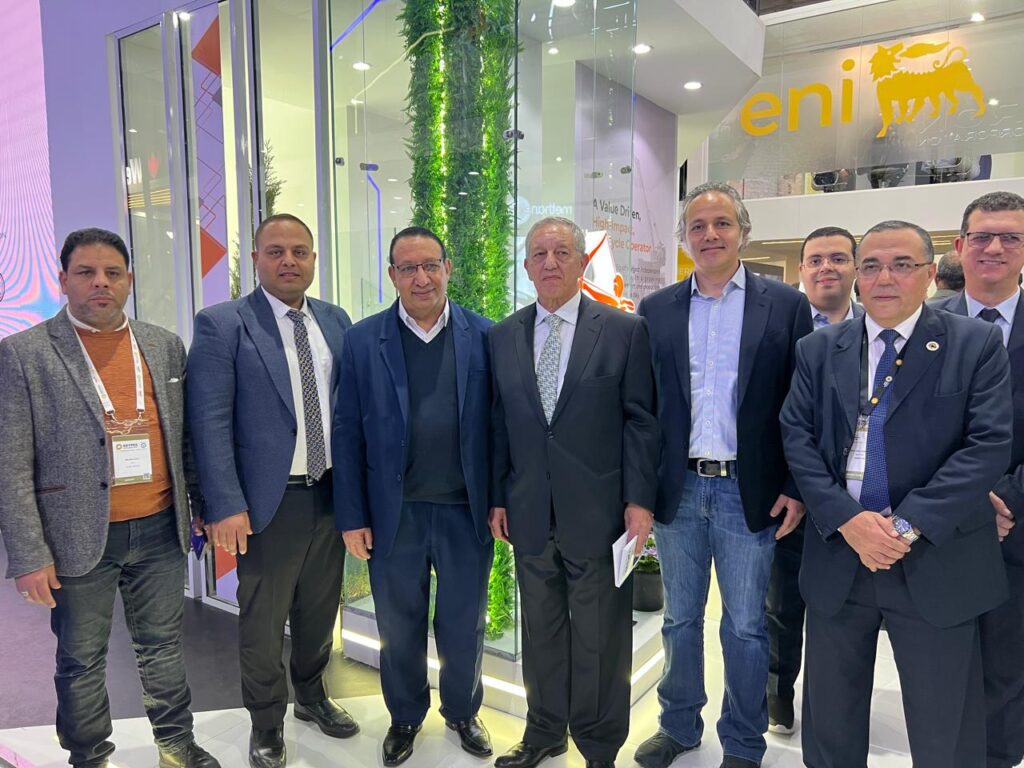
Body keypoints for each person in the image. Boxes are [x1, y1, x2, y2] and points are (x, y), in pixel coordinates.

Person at [781, 219, 1012, 768]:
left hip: (935, 558)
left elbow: (987, 446)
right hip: (841, 557)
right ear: (857, 276)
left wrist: (903, 528)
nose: (885, 277)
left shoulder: (975, 343)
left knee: (945, 728)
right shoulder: (818, 348)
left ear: (929, 274)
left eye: (902, 265)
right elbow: (797, 437)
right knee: (831, 723)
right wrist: (848, 520)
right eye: (871, 265)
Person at [0, 228, 219, 768]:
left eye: (112, 273)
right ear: (63, 280)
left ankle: (176, 743)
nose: (100, 282)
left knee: (163, 647)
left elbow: (185, 439)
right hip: (74, 535)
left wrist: (198, 508)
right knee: (81, 658)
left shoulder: (163, 344)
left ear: (129, 281)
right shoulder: (24, 354)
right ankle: (90, 755)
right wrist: (28, 555)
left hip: (160, 527)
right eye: (86, 272)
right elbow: (10, 464)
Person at [634, 182, 813, 768]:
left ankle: (742, 740)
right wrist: (639, 491)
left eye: (722, 224)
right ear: (685, 238)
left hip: (748, 491)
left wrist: (794, 487)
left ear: (743, 232)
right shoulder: (656, 309)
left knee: (746, 626)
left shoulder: (784, 305)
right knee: (679, 619)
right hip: (679, 490)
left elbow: (801, 405)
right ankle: (678, 726)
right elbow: (644, 409)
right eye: (697, 226)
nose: (709, 235)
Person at [186, 214, 356, 768]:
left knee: (320, 608)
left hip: (331, 492)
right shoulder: (223, 324)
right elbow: (208, 422)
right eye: (276, 251)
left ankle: (311, 695)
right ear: (256, 258)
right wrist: (224, 504)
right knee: (263, 619)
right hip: (265, 502)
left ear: (313, 260)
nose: (289, 261)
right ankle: (266, 722)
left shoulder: (335, 320)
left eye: (300, 251)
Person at [489, 216, 659, 768]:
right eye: (539, 254)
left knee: (600, 638)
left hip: (599, 513)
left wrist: (639, 501)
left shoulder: (623, 331)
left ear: (582, 263)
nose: (551, 262)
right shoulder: (503, 336)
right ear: (526, 266)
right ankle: (544, 733)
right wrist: (498, 497)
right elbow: (499, 425)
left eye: (562, 252)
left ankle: (599, 746)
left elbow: (641, 422)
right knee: (540, 631)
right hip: (529, 513)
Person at [333, 227, 494, 766]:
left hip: (464, 512)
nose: (421, 278)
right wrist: (351, 516)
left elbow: (501, 430)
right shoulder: (362, 341)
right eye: (408, 268)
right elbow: (346, 434)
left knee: (464, 621)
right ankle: (404, 717)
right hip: (392, 514)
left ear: (448, 268)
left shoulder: (485, 336)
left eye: (430, 265)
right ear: (392, 276)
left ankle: (463, 712)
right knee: (398, 624)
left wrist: (501, 502)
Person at [933, 190, 1024, 768]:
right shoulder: (918, 325)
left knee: (1008, 668)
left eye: (1010, 237)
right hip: (938, 529)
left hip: (1018, 529)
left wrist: (1007, 497)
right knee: (939, 670)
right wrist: (963, 502)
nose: (994, 247)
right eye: (983, 236)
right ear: (960, 245)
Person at [765, 226, 863, 736]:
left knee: (846, 611)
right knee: (782, 604)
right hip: (788, 497)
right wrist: (794, 487)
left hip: (860, 504)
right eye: (816, 259)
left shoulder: (879, 331)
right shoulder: (779, 330)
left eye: (839, 258)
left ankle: (837, 707)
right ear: (802, 269)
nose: (827, 267)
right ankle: (777, 695)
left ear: (855, 267)